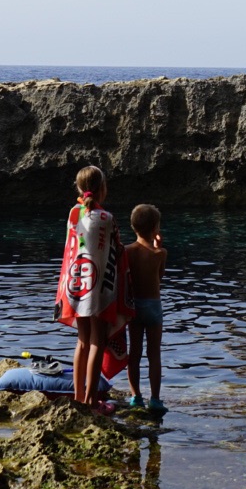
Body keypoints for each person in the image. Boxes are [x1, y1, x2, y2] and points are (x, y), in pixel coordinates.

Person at [57, 165, 131, 411]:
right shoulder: (107, 218)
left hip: (76, 285)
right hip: (100, 288)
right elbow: (117, 250)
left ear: (79, 188)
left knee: (82, 342)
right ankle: (92, 400)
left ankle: (78, 396)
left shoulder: (73, 213)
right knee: (98, 341)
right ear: (102, 189)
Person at [123, 204, 168, 413]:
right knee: (154, 354)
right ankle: (156, 399)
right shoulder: (160, 253)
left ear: (133, 227)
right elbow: (158, 279)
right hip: (153, 307)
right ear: (155, 230)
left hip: (134, 306)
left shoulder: (127, 251)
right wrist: (159, 246)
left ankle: (135, 397)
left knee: (135, 352)